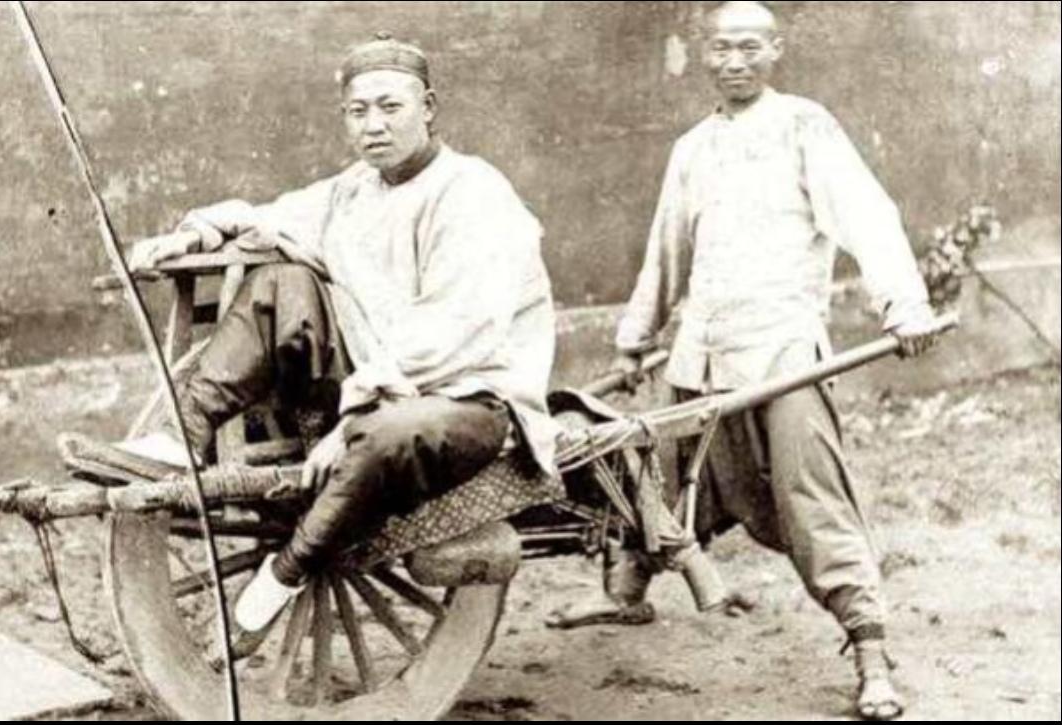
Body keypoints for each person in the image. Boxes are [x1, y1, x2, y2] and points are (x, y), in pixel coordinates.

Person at [559, 2, 941, 720]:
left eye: (748, 48)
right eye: (720, 49)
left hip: (781, 351)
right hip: (701, 353)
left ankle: (870, 649)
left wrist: (904, 304)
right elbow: (667, 247)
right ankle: (625, 593)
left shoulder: (804, 125)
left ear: (775, 49)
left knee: (812, 500)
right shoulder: (692, 148)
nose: (733, 62)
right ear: (703, 54)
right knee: (657, 484)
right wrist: (637, 334)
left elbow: (867, 214)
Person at [122, 32, 559, 632]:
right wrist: (193, 235)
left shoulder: (474, 193)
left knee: (386, 435)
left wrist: (354, 419)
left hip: (464, 398)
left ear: (428, 107)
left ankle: (288, 570)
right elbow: (268, 219)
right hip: (370, 381)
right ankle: (184, 434)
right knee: (282, 280)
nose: (373, 125)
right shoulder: (354, 189)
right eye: (358, 112)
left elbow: (459, 331)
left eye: (390, 107)